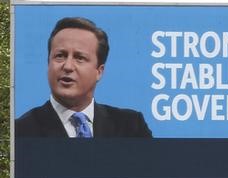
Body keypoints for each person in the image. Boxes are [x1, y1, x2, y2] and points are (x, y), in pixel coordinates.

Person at [15, 17, 152, 138]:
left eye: (80, 58)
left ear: (99, 71)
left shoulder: (131, 126)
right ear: (48, 63)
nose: (68, 66)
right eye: (60, 56)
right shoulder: (22, 130)